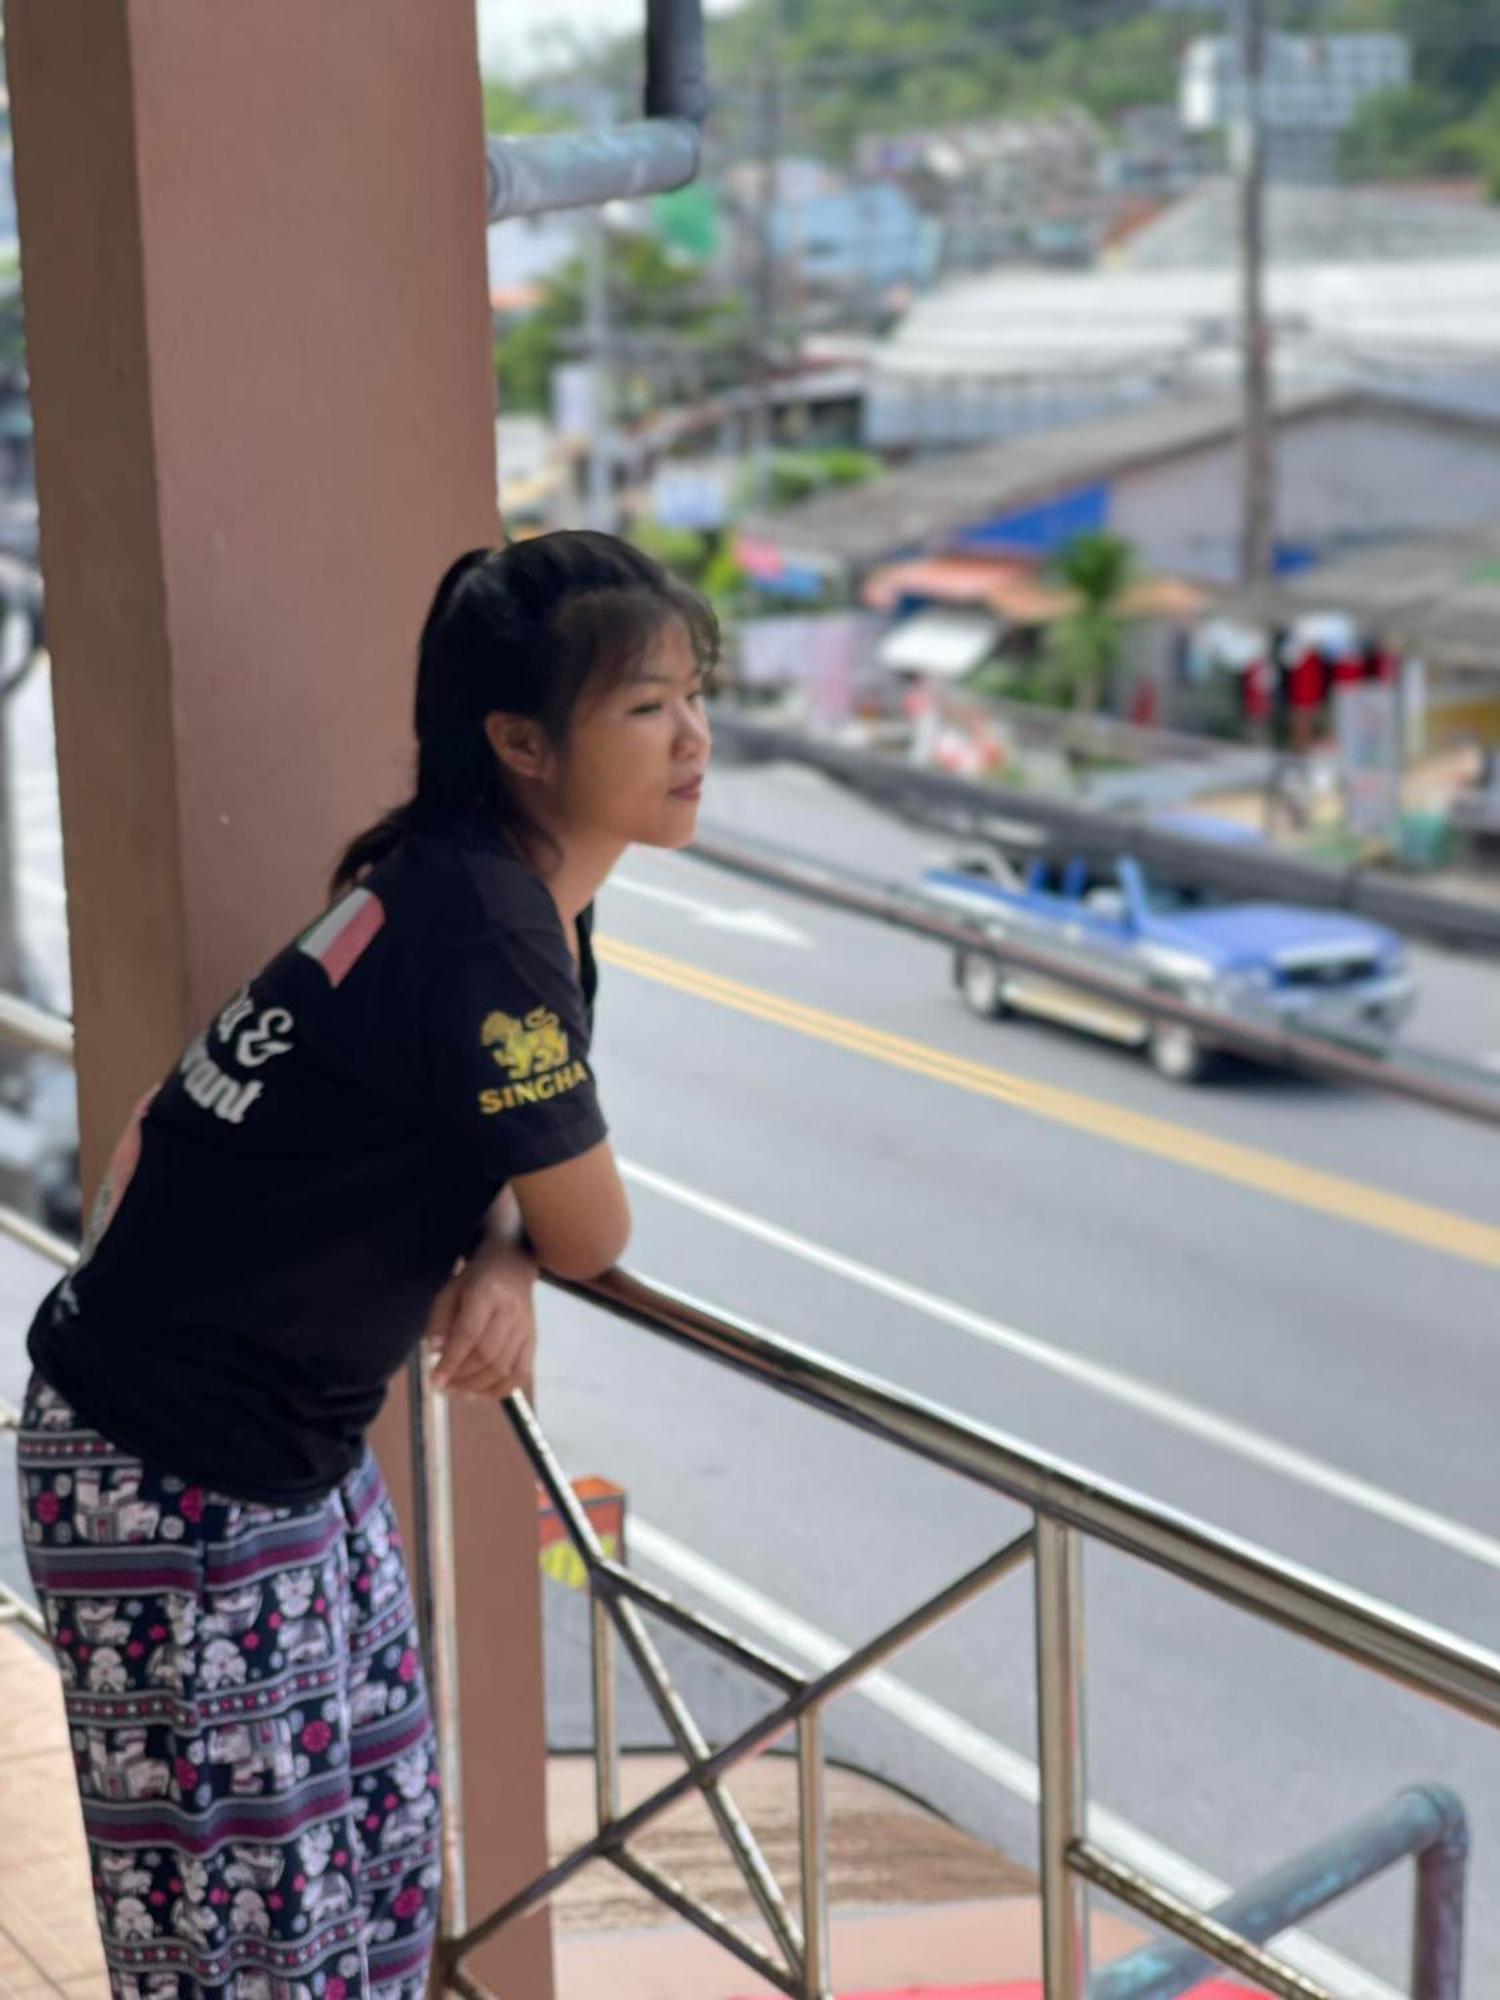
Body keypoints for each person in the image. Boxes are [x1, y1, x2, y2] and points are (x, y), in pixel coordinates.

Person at [14, 531, 716, 1999]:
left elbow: (514, 1185)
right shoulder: (482, 917)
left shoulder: (496, 895)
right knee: (255, 1951)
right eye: (648, 705)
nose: (695, 735)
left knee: (376, 1895)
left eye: (697, 694)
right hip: (175, 1461)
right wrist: (536, 1246)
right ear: (520, 740)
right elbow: (595, 1226)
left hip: (280, 1454)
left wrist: (504, 1255)